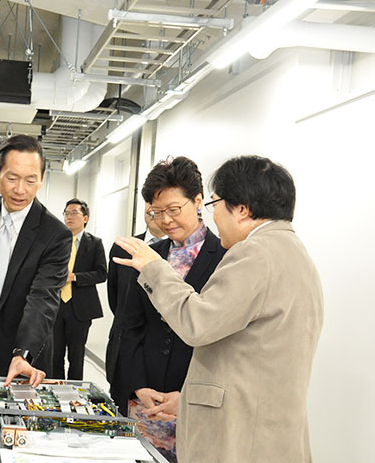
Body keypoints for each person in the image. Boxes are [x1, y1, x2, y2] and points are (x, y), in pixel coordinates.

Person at [115, 155, 323, 462]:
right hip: (264, 430)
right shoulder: (294, 252)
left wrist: (154, 268)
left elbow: (198, 323)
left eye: (214, 205)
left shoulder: (254, 254)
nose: (212, 217)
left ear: (241, 209)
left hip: (243, 439)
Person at [118, 157, 226, 420]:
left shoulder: (225, 256)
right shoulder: (148, 255)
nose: (165, 220)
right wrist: (138, 385)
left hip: (195, 400)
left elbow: (225, 344)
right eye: (157, 211)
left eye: (174, 209)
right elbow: (130, 326)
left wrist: (188, 394)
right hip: (145, 396)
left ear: (198, 201)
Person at [0, 135, 71, 386]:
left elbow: (42, 300)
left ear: (42, 179)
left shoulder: (55, 235)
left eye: (31, 180)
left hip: (21, 360)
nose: (21, 190)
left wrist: (23, 353)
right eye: (12, 178)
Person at [105, 202, 164, 412]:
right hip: (122, 356)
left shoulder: (180, 254)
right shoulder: (123, 248)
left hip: (160, 369)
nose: (153, 210)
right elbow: (116, 302)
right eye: (150, 202)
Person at [52, 199, 107, 380]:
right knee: (55, 354)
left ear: (85, 218)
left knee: (76, 356)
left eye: (74, 213)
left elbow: (101, 274)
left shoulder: (95, 243)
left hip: (81, 307)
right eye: (66, 213)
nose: (69, 217)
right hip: (56, 305)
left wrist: (74, 277)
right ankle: (55, 390)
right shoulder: (56, 242)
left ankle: (74, 392)